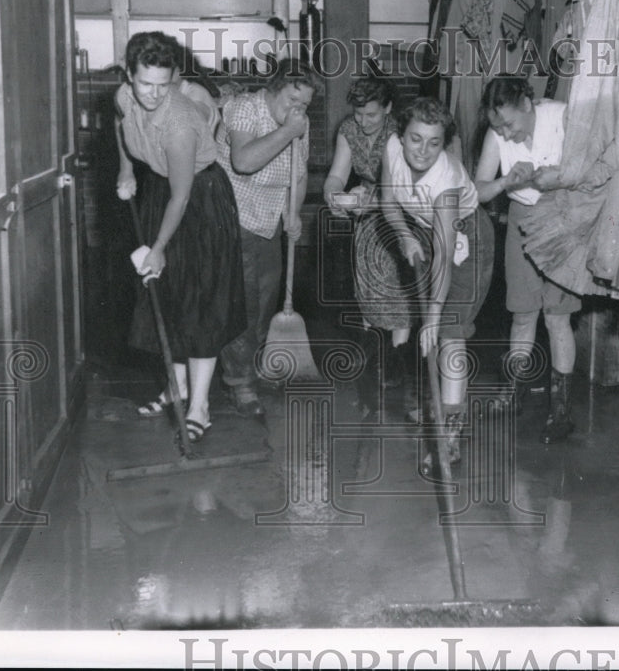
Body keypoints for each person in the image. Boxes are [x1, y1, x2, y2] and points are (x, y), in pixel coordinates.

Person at [114, 31, 246, 442]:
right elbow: (121, 125)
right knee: (166, 298)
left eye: (163, 84)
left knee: (200, 302)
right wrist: (126, 169)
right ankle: (178, 388)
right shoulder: (123, 95)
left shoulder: (180, 121)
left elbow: (183, 193)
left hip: (199, 202)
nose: (153, 94)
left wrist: (158, 247)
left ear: (174, 79)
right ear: (129, 76)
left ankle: (200, 407)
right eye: (144, 83)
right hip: (159, 191)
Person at [380, 97, 495, 473]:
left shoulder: (444, 183)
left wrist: (431, 316)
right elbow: (387, 201)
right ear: (401, 135)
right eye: (416, 139)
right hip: (427, 235)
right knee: (440, 331)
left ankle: (450, 438)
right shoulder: (392, 149)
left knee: (448, 334)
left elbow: (446, 256)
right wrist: (403, 235)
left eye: (434, 142)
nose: (423, 150)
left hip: (467, 241)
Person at [474, 76, 582, 443]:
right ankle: (514, 391)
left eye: (509, 123)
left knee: (557, 317)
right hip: (521, 219)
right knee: (522, 314)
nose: (505, 132)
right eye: (497, 125)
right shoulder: (497, 136)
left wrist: (546, 178)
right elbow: (478, 189)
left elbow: (587, 171)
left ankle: (561, 409)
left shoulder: (562, 117)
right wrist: (506, 184)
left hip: (563, 218)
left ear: (526, 104)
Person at [217, 58, 320, 417]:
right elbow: (244, 160)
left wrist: (293, 213)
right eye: (293, 100)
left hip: (269, 220)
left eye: (304, 104)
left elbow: (300, 173)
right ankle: (239, 382)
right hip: (231, 218)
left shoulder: (298, 125)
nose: (298, 110)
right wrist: (289, 131)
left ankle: (253, 366)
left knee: (264, 300)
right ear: (273, 90)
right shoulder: (244, 108)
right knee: (242, 302)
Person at [322, 77, 416, 417]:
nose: (364, 121)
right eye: (359, 113)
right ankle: (374, 367)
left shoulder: (403, 132)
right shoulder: (348, 129)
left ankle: (398, 369)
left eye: (371, 114)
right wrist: (334, 195)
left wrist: (374, 199)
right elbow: (336, 174)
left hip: (400, 218)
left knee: (399, 295)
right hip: (365, 220)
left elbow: (409, 188)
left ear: (388, 108)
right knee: (368, 294)